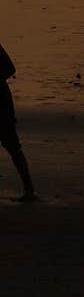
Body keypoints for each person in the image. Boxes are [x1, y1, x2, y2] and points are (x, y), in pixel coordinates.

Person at [0, 42, 36, 200]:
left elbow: (10, 69)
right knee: (13, 145)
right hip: (3, 100)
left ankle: (29, 189)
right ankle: (29, 189)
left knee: (12, 145)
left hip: (1, 102)